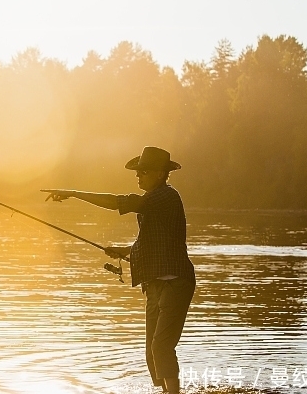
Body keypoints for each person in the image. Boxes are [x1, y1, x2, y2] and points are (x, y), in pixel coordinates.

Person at [42, 146, 195, 394]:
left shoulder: (165, 195)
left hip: (176, 283)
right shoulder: (154, 202)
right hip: (155, 284)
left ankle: (175, 393)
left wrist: (73, 193)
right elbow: (154, 241)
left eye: (143, 172)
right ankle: (166, 391)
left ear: (159, 173)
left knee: (161, 347)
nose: (138, 176)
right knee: (151, 351)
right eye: (137, 172)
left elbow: (118, 203)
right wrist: (124, 250)